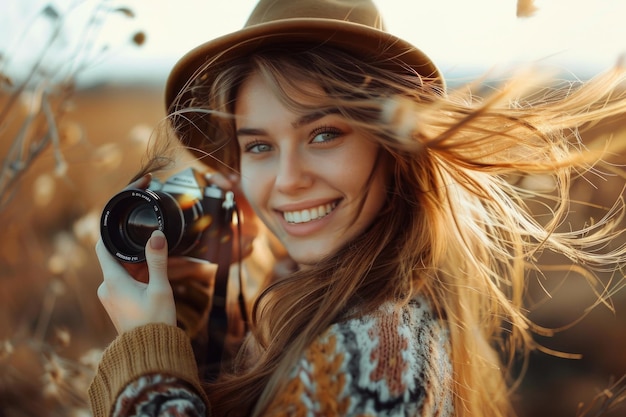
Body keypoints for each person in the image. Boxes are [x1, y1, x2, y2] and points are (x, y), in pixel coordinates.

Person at [89, 0, 626, 416]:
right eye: (259, 146)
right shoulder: (349, 307)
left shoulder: (376, 355)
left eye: (324, 134)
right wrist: (191, 303)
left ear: (392, 148)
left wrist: (146, 356)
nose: (288, 180)